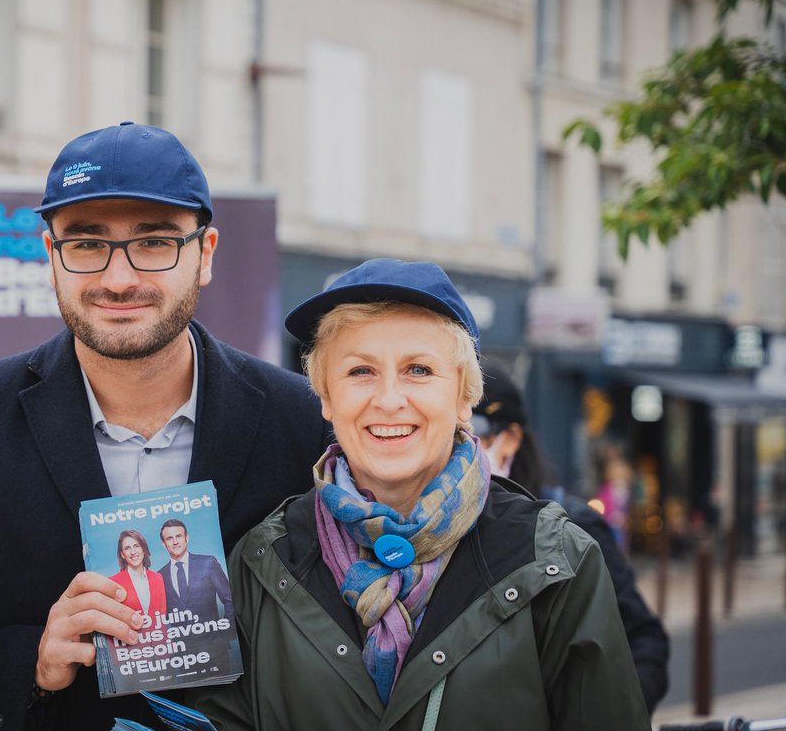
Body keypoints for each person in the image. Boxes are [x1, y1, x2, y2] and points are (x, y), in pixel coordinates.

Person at [0, 122, 330, 731]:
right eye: (87, 244)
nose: (118, 279)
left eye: (153, 243)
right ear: (51, 258)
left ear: (205, 255)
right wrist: (31, 660)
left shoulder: (303, 418)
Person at [190, 258, 648, 730]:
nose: (389, 399)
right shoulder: (262, 562)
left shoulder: (554, 560)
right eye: (361, 372)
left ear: (464, 395)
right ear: (326, 397)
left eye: (419, 370)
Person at [472, 361, 670, 712]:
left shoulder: (570, 527)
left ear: (511, 439)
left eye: (475, 432)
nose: (462, 446)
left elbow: (644, 641)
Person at [158, 518, 233, 623]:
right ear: (163, 543)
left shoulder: (208, 563)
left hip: (215, 637)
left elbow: (229, 599)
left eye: (178, 536)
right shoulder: (160, 575)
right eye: (170, 538)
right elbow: (160, 614)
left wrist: (227, 630)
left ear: (186, 538)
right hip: (181, 639)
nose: (175, 542)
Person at [110, 530, 166, 621]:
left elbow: (163, 615)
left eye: (136, 546)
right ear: (122, 554)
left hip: (159, 634)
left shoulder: (158, 578)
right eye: (127, 548)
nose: (133, 552)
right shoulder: (113, 582)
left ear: (144, 549)